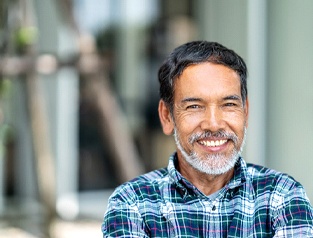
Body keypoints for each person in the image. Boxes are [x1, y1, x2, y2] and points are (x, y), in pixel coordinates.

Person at [101, 41, 313, 237]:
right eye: (194, 106)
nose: (213, 124)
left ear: (245, 112)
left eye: (229, 105)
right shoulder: (133, 203)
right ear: (167, 116)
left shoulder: (282, 196)